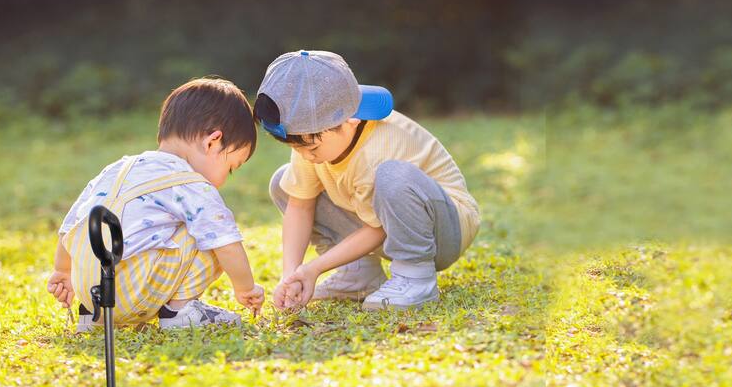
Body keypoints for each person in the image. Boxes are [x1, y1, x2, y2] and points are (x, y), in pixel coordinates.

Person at [255, 50, 480, 311]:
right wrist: (291, 275)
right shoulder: (314, 136)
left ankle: (415, 278)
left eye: (312, 148)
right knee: (283, 183)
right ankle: (358, 273)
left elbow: (378, 229)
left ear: (349, 122)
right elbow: (300, 206)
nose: (306, 156)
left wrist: (313, 269)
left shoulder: (377, 150)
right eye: (297, 147)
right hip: (385, 225)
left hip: (444, 231)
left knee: (392, 176)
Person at [48, 77, 264, 331]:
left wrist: (63, 272)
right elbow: (226, 243)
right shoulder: (190, 183)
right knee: (213, 231)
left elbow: (71, 226)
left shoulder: (117, 169)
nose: (225, 180)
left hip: (93, 295)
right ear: (212, 142)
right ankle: (179, 312)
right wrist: (246, 288)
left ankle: (90, 317)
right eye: (231, 167)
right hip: (132, 295)